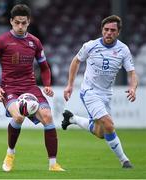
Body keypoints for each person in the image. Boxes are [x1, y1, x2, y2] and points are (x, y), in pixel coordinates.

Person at [0, 4, 64, 172]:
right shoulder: (2, 41)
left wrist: (47, 84)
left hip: (31, 88)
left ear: (28, 22)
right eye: (17, 22)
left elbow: (45, 67)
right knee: (18, 117)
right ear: (11, 21)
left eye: (24, 23)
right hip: (10, 88)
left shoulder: (35, 42)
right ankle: (10, 153)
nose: (20, 26)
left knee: (48, 117)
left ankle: (53, 164)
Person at [62, 15, 137, 168]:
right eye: (106, 29)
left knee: (101, 133)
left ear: (118, 32)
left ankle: (72, 119)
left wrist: (133, 87)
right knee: (109, 125)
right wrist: (70, 85)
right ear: (102, 30)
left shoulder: (123, 50)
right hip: (89, 91)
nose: (109, 32)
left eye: (113, 30)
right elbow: (76, 61)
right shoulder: (90, 45)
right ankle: (125, 161)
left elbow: (132, 72)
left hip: (106, 94)